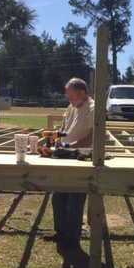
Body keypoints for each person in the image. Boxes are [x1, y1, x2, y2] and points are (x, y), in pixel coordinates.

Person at [50, 77, 94, 253]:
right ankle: (61, 233)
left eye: (72, 97)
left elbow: (93, 137)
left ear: (83, 93)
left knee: (75, 200)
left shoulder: (92, 109)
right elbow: (65, 128)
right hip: (65, 156)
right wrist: (56, 138)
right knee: (58, 196)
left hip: (81, 158)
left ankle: (72, 240)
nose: (70, 100)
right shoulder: (72, 107)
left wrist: (69, 145)